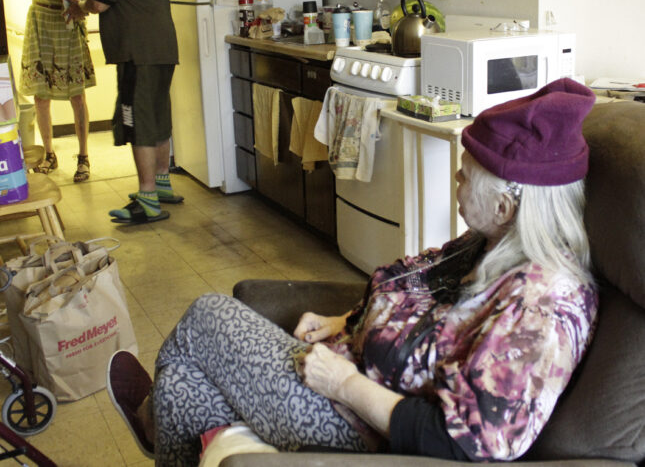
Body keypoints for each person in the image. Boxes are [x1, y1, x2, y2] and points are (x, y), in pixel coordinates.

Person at [107, 78, 599, 465]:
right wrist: (347, 322)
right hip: (348, 378)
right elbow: (418, 305)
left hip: (361, 431)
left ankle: (149, 422)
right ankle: (159, 417)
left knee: (206, 314)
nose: (455, 179)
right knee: (180, 389)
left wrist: (341, 383)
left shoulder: (544, 308)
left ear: (507, 206)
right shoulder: (490, 247)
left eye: (464, 175)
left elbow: (468, 443)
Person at [63, 0, 181, 223]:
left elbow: (100, 4)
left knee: (137, 120)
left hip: (136, 53)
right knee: (158, 114)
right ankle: (161, 183)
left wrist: (77, 7)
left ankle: (147, 200)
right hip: (161, 49)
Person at [20, 0, 96, 181]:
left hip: (68, 23)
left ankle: (84, 156)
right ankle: (49, 153)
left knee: (77, 94)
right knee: (41, 95)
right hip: (41, 23)